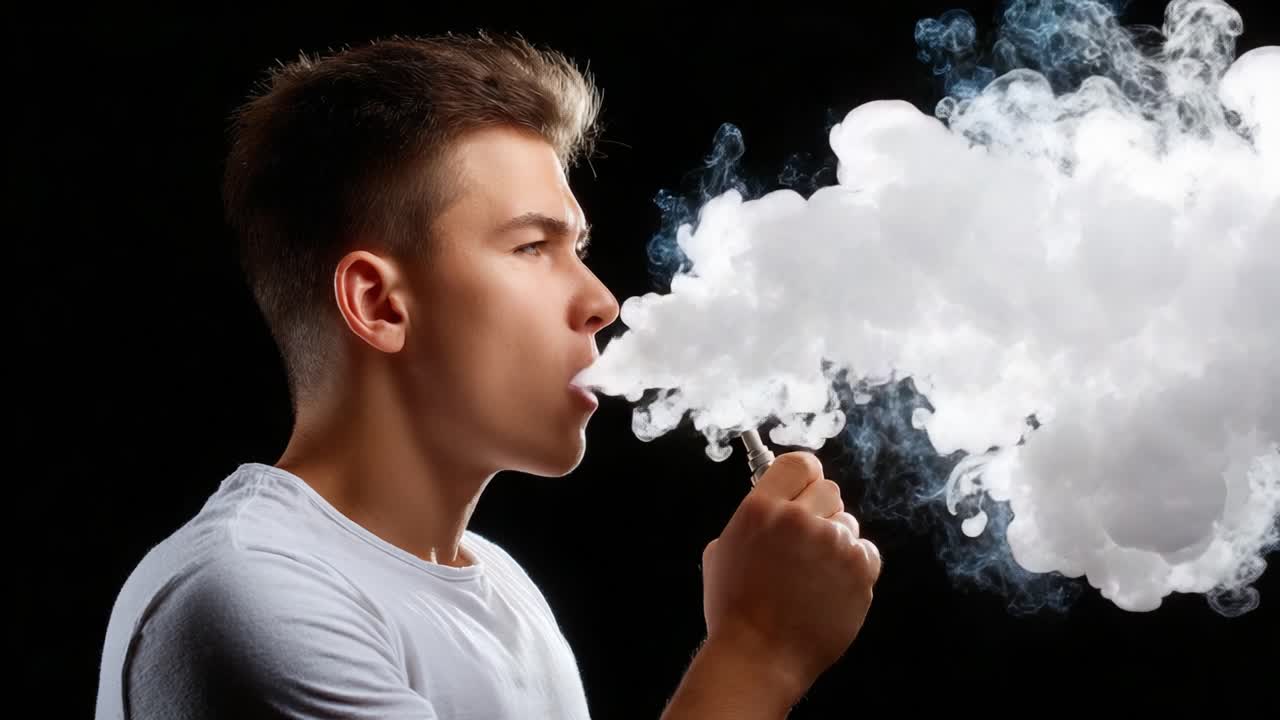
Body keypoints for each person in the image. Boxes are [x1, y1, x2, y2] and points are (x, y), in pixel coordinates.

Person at [94, 33, 882, 720]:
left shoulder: (504, 593)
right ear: (378, 303)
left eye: (578, 247)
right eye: (533, 248)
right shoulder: (248, 597)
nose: (603, 301)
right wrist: (756, 651)